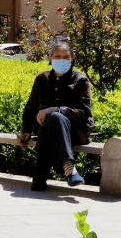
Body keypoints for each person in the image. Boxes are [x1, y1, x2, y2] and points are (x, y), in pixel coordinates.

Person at [17, 41, 93, 191]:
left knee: (56, 118)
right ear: (50, 58)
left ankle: (42, 177)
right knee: (52, 122)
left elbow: (85, 114)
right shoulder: (42, 79)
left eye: (66, 57)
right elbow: (31, 107)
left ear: (72, 59)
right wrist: (25, 131)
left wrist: (55, 109)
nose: (61, 60)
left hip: (74, 131)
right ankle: (68, 170)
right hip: (46, 130)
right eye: (57, 56)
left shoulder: (81, 80)